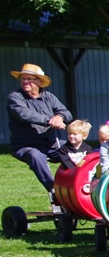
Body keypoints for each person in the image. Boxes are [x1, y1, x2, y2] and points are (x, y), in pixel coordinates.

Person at [7, 63, 73, 197]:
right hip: (25, 146)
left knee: (76, 149)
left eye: (29, 79)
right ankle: (53, 189)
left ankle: (78, 183)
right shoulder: (15, 97)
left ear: (39, 82)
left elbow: (66, 113)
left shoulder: (49, 97)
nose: (25, 81)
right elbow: (23, 114)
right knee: (35, 155)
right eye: (23, 78)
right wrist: (50, 119)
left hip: (51, 145)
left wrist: (60, 117)